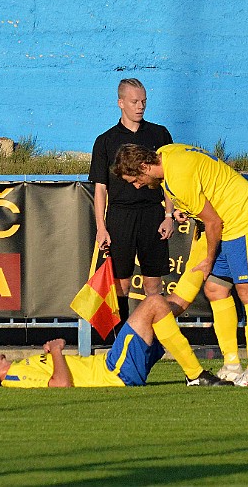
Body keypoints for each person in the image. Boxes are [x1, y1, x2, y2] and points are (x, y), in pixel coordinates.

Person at [113, 143, 248, 387]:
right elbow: (185, 186)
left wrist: (208, 259)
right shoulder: (166, 153)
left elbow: (213, 222)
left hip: (242, 219)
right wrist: (179, 209)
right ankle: (231, 364)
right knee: (215, 289)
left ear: (144, 166)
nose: (136, 185)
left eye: (135, 179)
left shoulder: (178, 178)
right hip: (226, 222)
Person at [0, 294, 233, 387]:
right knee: (153, 303)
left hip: (115, 368)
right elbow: (60, 384)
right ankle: (195, 375)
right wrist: (55, 351)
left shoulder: (19, 369)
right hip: (114, 371)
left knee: (169, 304)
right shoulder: (14, 379)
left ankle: (205, 261)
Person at [89, 78, 175, 325]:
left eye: (144, 102)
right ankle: (121, 339)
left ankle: (157, 337)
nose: (140, 106)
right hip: (120, 216)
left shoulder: (159, 134)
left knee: (153, 284)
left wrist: (168, 215)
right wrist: (101, 227)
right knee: (120, 283)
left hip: (152, 214)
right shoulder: (105, 140)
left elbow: (168, 179)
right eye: (135, 101)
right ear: (120, 103)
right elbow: (100, 189)